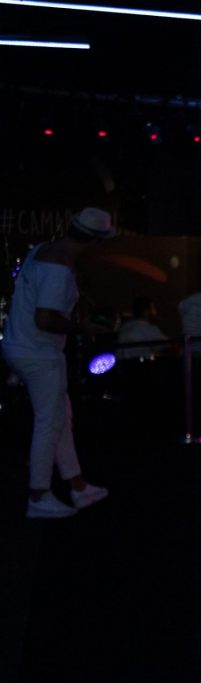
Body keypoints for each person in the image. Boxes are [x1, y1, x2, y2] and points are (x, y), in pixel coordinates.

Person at [2, 207, 112, 518]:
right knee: (50, 423)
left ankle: (78, 487)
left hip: (20, 345)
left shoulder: (43, 250)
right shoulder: (60, 268)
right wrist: (84, 327)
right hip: (38, 353)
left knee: (60, 418)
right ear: (93, 242)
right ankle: (39, 495)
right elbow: (45, 318)